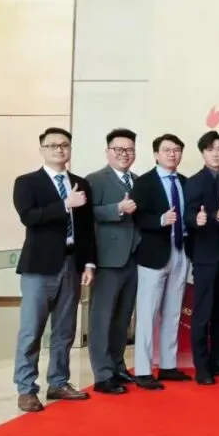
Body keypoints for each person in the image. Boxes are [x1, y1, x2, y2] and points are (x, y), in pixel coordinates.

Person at [12, 127, 96, 412]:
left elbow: (86, 227)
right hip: (39, 267)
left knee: (65, 329)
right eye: (52, 145)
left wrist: (88, 262)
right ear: (42, 150)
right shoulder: (27, 182)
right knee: (32, 330)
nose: (59, 149)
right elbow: (29, 217)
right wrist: (65, 205)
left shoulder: (81, 183)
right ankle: (26, 388)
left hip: (72, 263)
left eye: (64, 145)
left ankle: (58, 382)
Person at [132, 133, 192, 390]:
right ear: (156, 154)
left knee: (173, 312)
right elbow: (136, 217)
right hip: (153, 255)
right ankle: (143, 370)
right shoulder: (144, 182)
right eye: (167, 150)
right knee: (147, 313)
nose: (172, 154)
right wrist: (159, 220)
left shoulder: (185, 182)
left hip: (181, 252)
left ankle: (168, 365)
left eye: (177, 150)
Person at [86, 128, 141, 395]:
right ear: (107, 152)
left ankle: (118, 366)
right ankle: (103, 374)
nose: (124, 154)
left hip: (133, 258)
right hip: (107, 259)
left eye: (129, 149)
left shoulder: (138, 181)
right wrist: (116, 209)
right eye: (118, 149)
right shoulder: (95, 180)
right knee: (102, 318)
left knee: (123, 318)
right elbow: (86, 214)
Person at [184, 130, 219, 385]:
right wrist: (200, 218)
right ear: (203, 152)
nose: (216, 154)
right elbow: (188, 215)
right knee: (203, 311)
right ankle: (202, 366)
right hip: (205, 255)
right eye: (210, 149)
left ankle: (218, 359)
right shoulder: (194, 181)